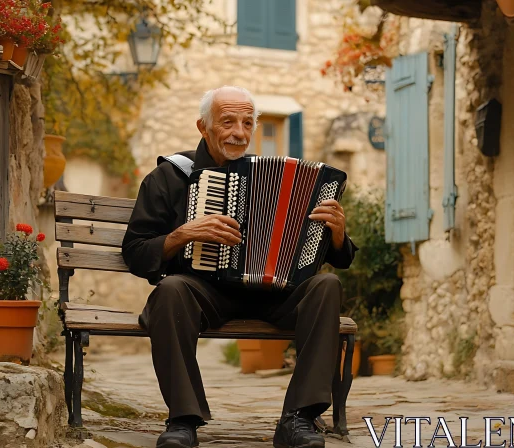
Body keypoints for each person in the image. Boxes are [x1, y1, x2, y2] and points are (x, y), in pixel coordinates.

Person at [121, 86, 357, 448]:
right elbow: (136, 251)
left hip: (276, 294)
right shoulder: (171, 177)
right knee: (170, 291)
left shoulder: (286, 178)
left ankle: (298, 419)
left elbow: (337, 258)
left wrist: (338, 236)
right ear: (204, 127)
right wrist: (183, 234)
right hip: (205, 293)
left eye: (248, 123)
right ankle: (183, 421)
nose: (239, 132)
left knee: (326, 286)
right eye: (228, 122)